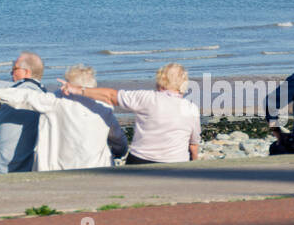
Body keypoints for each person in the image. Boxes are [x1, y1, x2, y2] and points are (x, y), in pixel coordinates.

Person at [0, 64, 128, 171]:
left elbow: (27, 97)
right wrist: (120, 152)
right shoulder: (104, 107)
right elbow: (118, 137)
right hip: (98, 167)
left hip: (58, 168)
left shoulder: (55, 102)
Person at [61, 62, 200, 163]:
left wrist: (79, 90)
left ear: (160, 80)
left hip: (141, 160)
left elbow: (111, 96)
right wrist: (194, 165)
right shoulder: (191, 108)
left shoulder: (147, 98)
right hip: (176, 163)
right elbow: (193, 145)